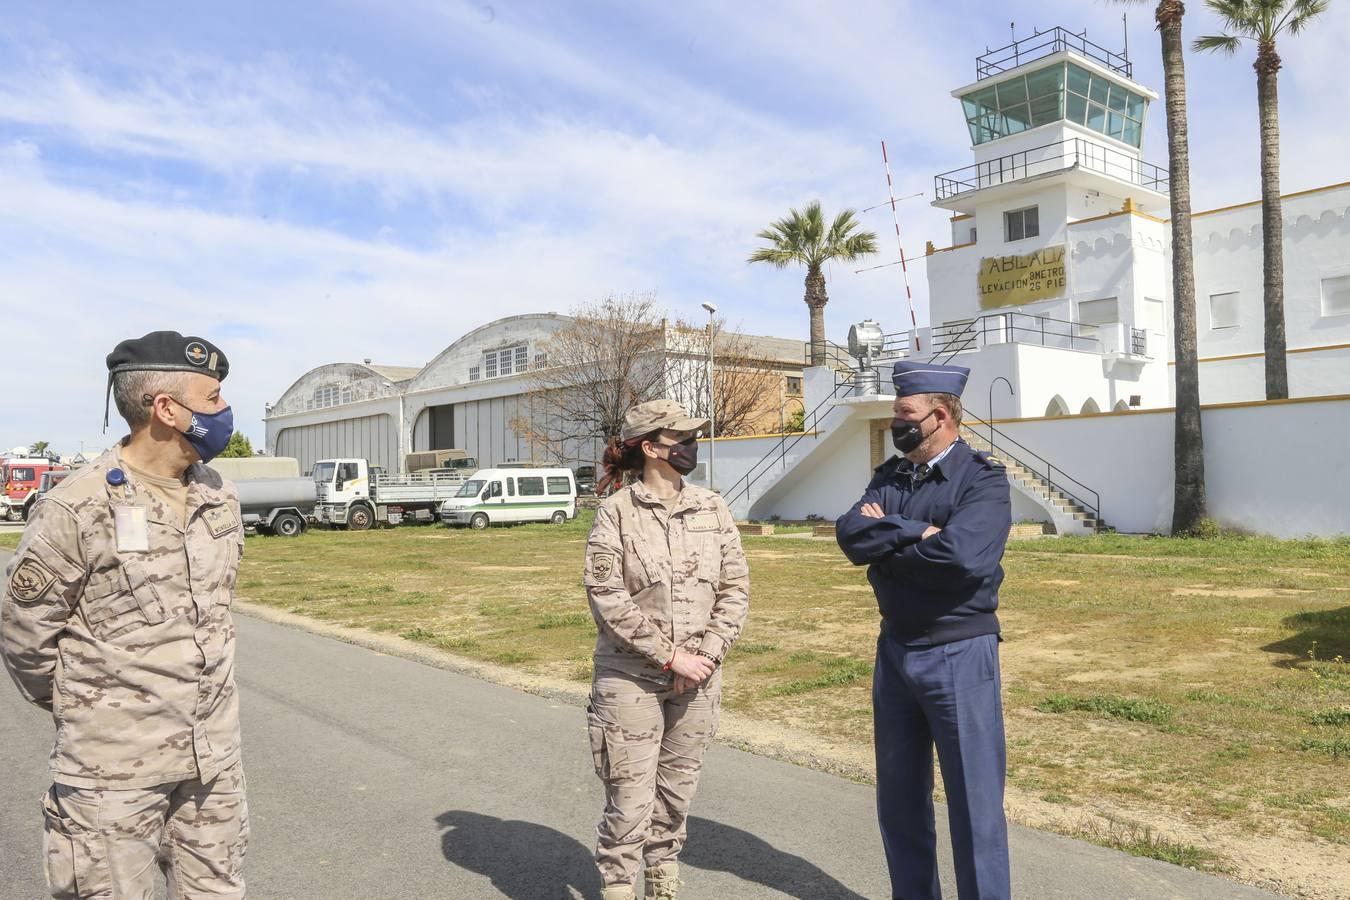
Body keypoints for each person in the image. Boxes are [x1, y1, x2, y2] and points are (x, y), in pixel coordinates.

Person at [2, 331, 249, 899]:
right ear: (167, 409)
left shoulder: (218, 494)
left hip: (212, 767)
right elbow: (25, 637)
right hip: (111, 776)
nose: (224, 411)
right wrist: (92, 709)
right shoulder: (77, 505)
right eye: (212, 398)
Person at [835, 360, 1012, 900]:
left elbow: (963, 559)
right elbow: (850, 536)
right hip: (896, 652)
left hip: (959, 650)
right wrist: (917, 532)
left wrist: (887, 547)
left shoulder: (982, 479)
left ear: (939, 415)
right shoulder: (891, 476)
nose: (897, 423)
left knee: (974, 807)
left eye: (905, 414)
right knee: (900, 801)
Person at [583, 399, 750, 900]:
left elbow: (735, 587)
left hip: (698, 676)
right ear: (652, 447)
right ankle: (617, 888)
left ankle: (662, 884)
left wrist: (706, 658)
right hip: (630, 678)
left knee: (676, 795)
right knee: (630, 800)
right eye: (683, 439)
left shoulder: (712, 507)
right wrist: (670, 657)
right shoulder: (615, 513)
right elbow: (607, 597)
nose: (692, 447)